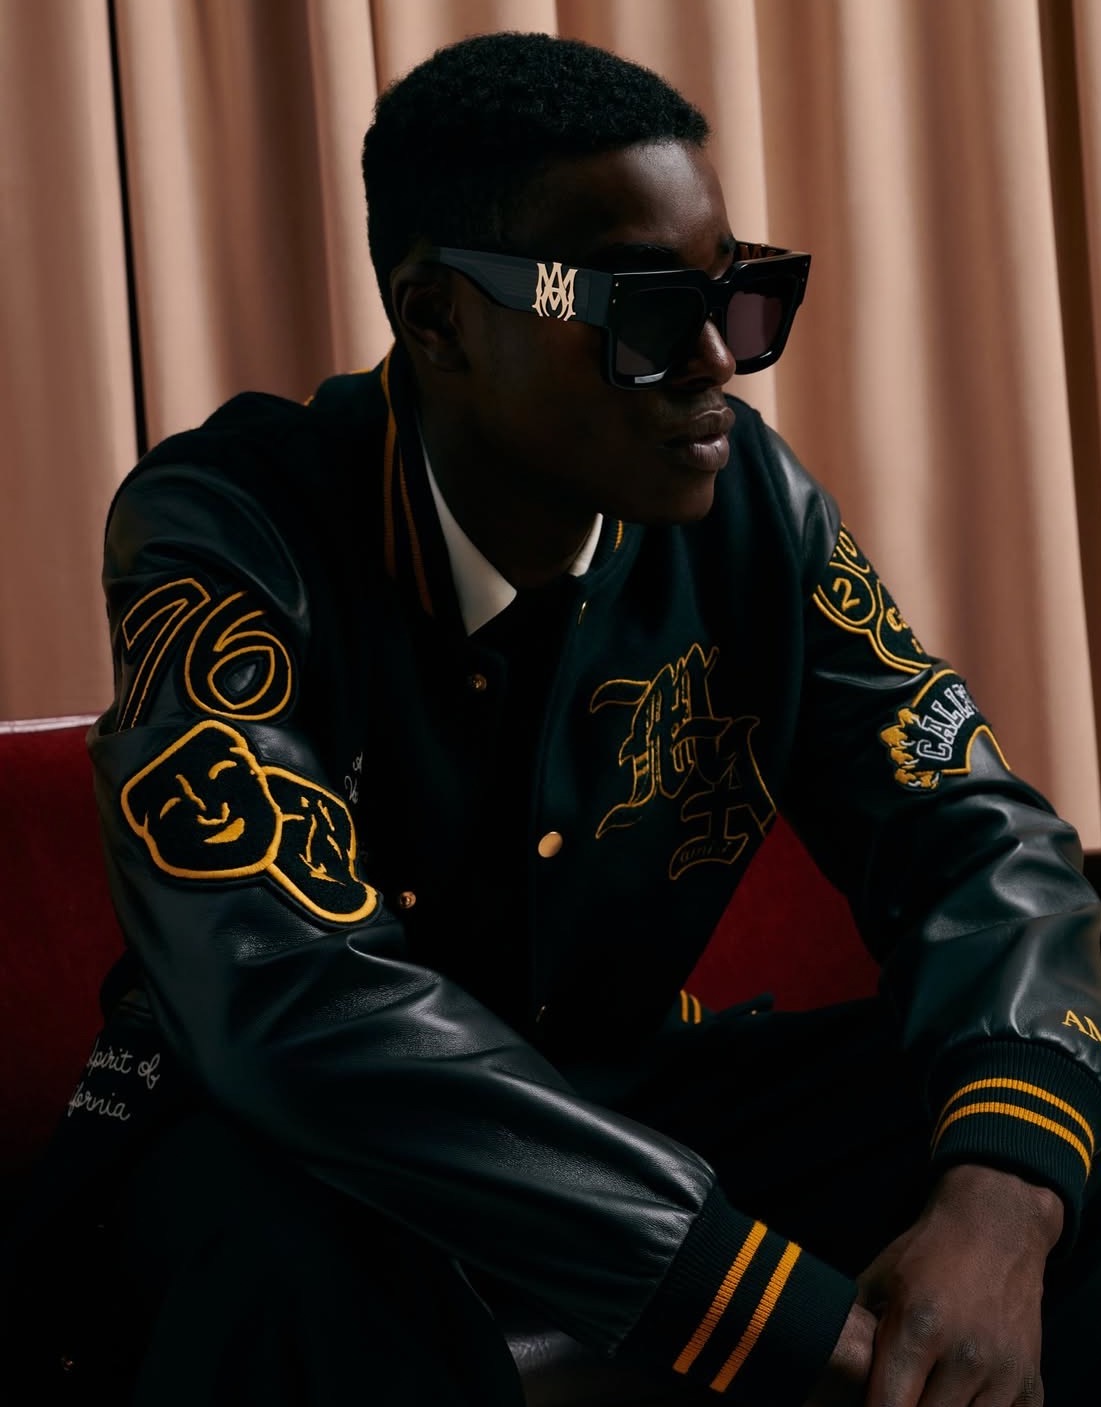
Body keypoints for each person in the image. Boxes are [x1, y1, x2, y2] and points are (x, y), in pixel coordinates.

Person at [19, 29, 1101, 1407]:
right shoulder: (230, 525)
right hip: (270, 1142)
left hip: (617, 1100)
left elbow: (972, 835)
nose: (717, 364)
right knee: (291, 1265)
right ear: (437, 318)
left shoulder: (748, 504)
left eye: (740, 299)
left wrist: (1004, 1201)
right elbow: (291, 995)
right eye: (647, 312)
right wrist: (772, 1313)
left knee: (1040, 1123)